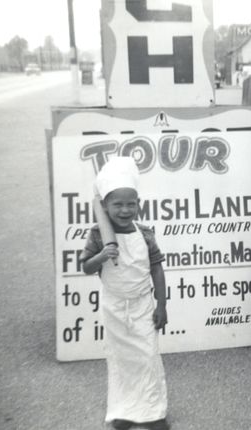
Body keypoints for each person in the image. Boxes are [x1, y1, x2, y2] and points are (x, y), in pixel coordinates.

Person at [81, 157, 170, 430]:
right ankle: (124, 410)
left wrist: (161, 306)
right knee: (120, 360)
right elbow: (86, 267)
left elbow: (157, 270)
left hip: (142, 304)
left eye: (130, 203)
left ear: (138, 205)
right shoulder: (98, 235)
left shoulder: (145, 234)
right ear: (105, 206)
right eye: (117, 204)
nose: (124, 209)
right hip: (114, 307)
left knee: (147, 356)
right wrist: (101, 257)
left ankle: (153, 413)